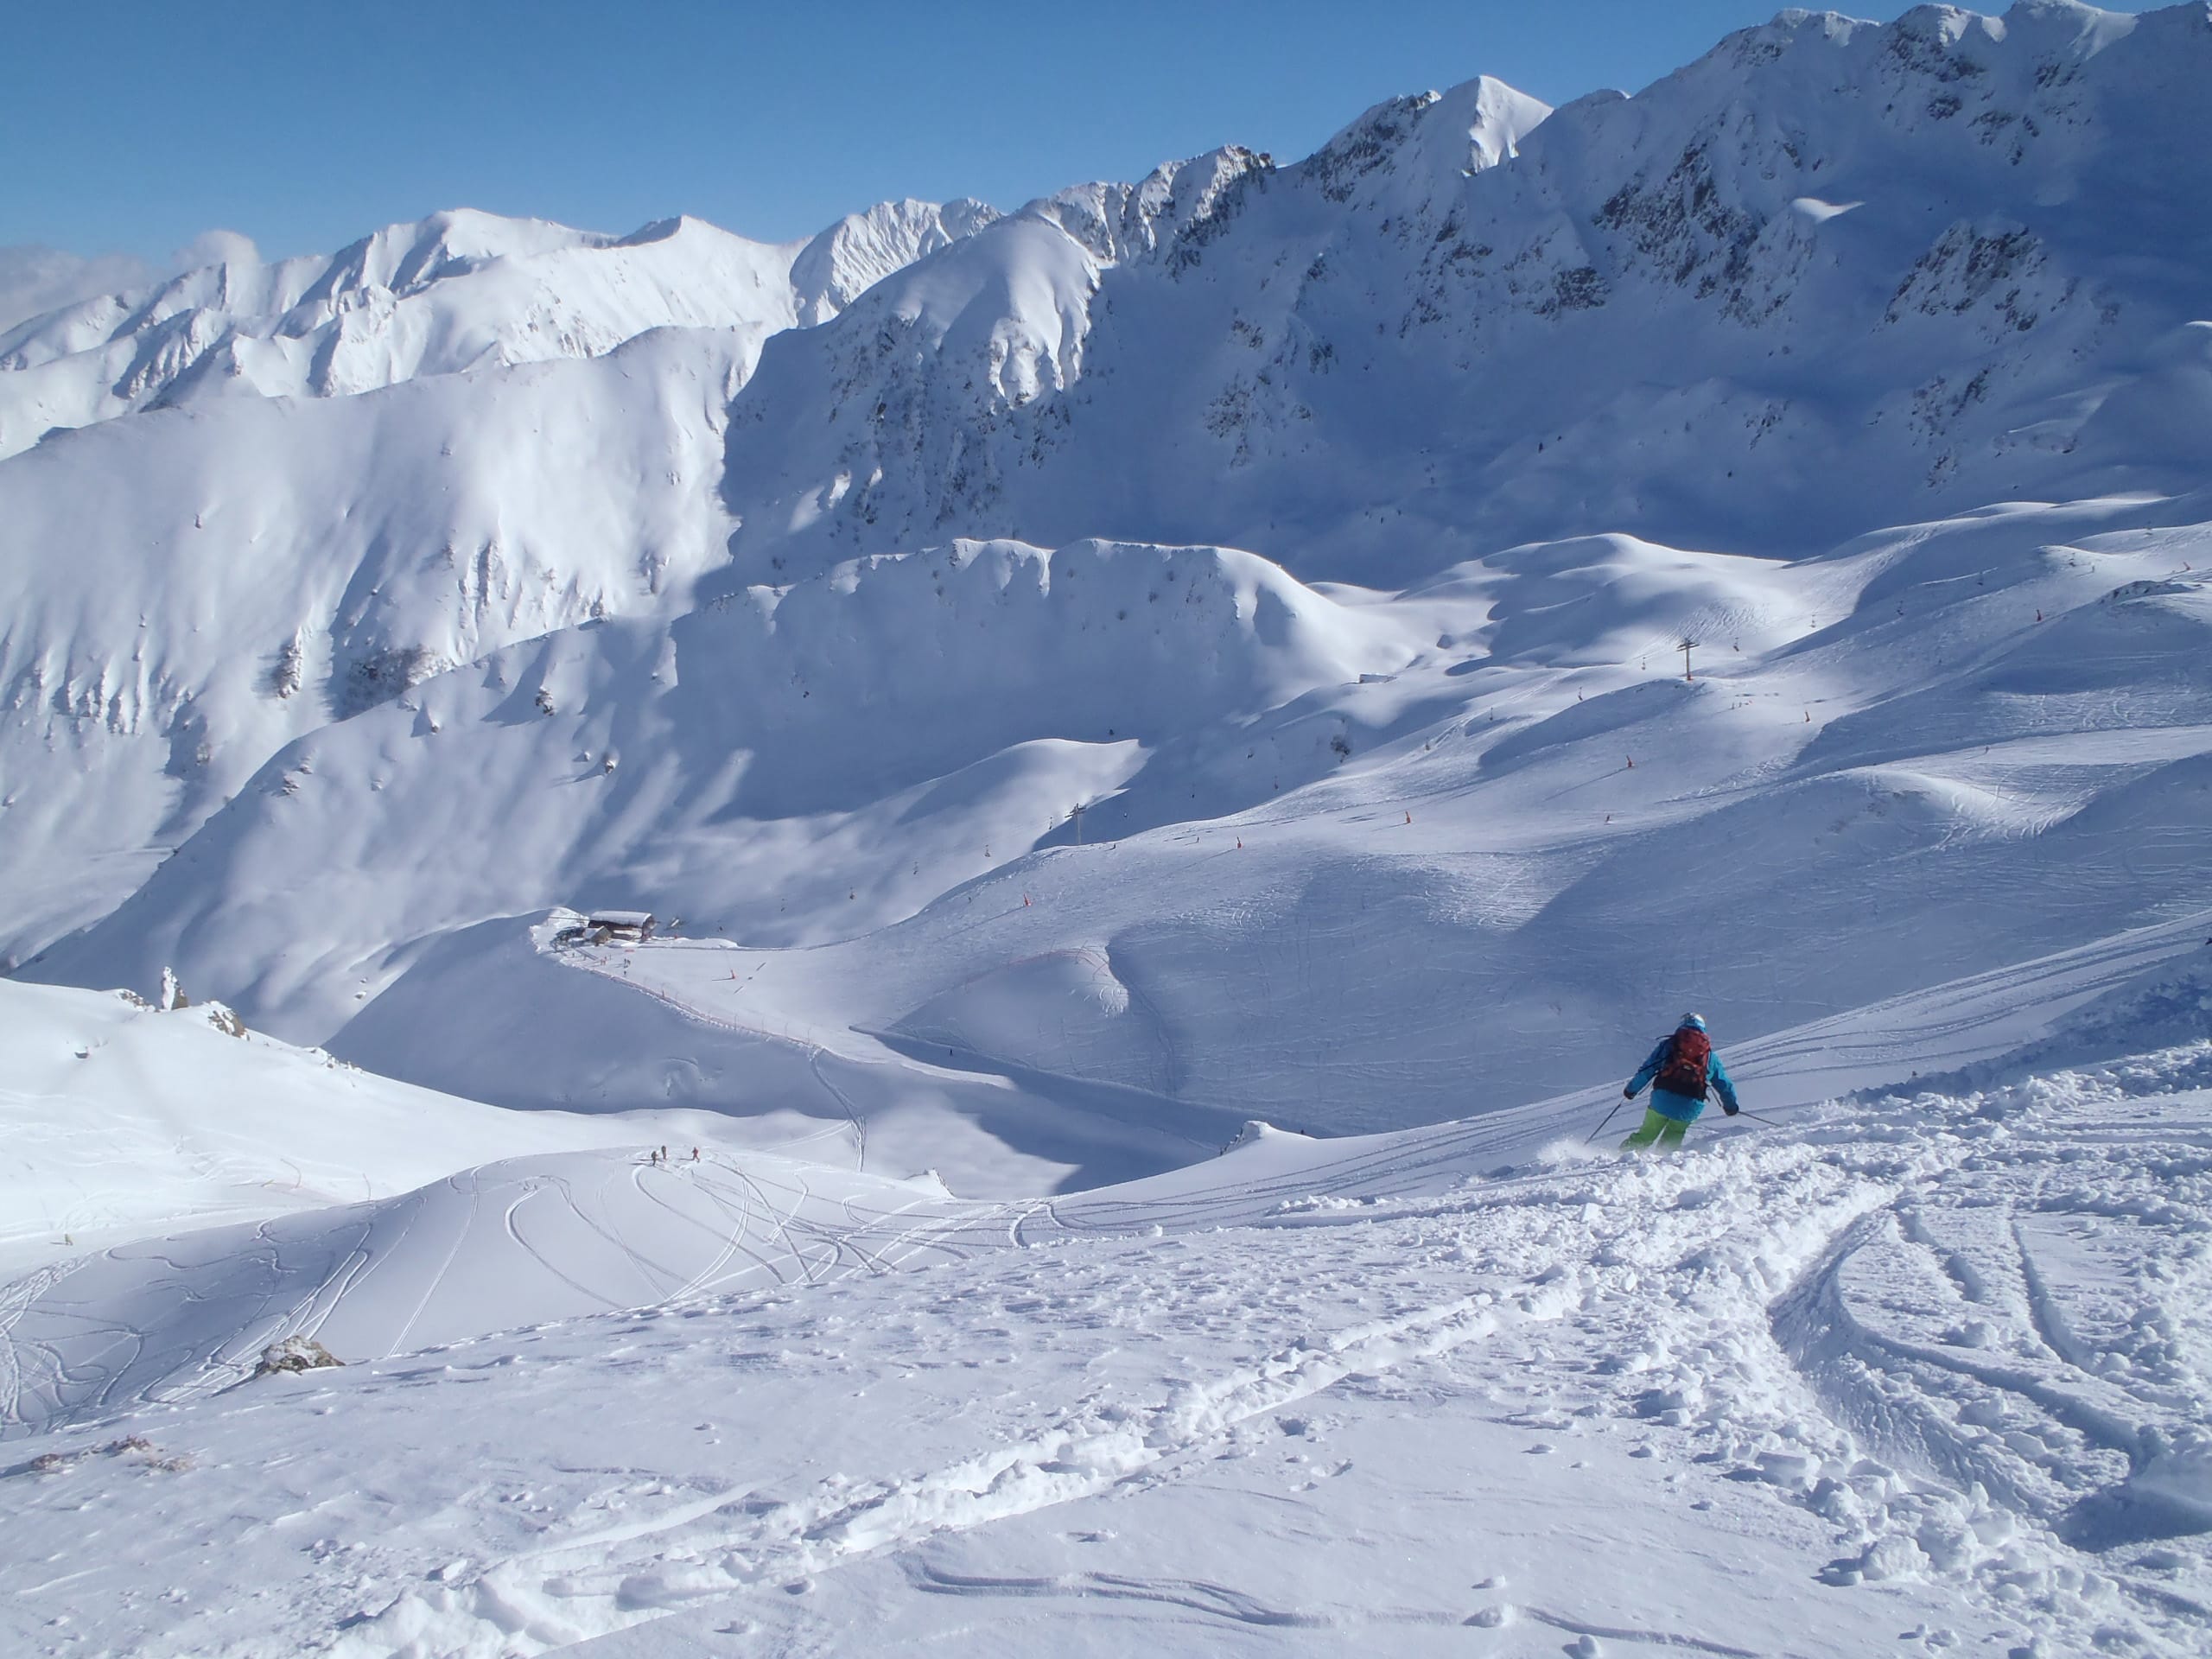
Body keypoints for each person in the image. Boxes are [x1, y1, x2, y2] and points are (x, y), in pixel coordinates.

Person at [1619, 1013, 1738, 1150]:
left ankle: (1618, 1160)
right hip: (1690, 1106)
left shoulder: (1669, 1045)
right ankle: (1665, 1164)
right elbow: (1724, 1084)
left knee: (1646, 1135)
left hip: (1662, 1100)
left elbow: (1648, 1069)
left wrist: (1631, 1090)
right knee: (1673, 1136)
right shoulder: (1710, 1056)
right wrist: (1731, 1107)